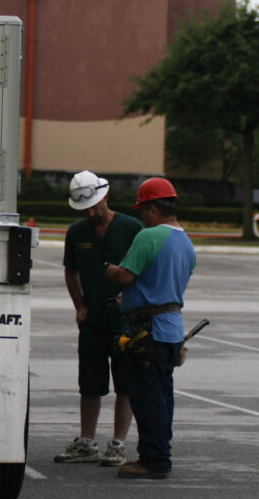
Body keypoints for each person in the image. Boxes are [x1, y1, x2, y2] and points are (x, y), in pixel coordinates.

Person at [105, 177, 195, 479]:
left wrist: (108, 269)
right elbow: (161, 285)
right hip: (171, 330)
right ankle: (159, 454)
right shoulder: (186, 243)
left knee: (147, 398)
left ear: (152, 209)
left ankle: (154, 461)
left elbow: (125, 276)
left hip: (148, 331)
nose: (142, 216)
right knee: (162, 397)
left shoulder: (150, 236)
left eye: (143, 210)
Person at [53, 171, 141, 467]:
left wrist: (131, 297)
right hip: (92, 321)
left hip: (125, 322)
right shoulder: (77, 232)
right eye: (84, 210)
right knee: (90, 384)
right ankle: (87, 442)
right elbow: (70, 270)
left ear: (105, 197)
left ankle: (118, 444)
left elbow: (145, 269)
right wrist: (79, 306)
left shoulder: (131, 228)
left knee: (125, 384)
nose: (90, 214)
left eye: (93, 207)